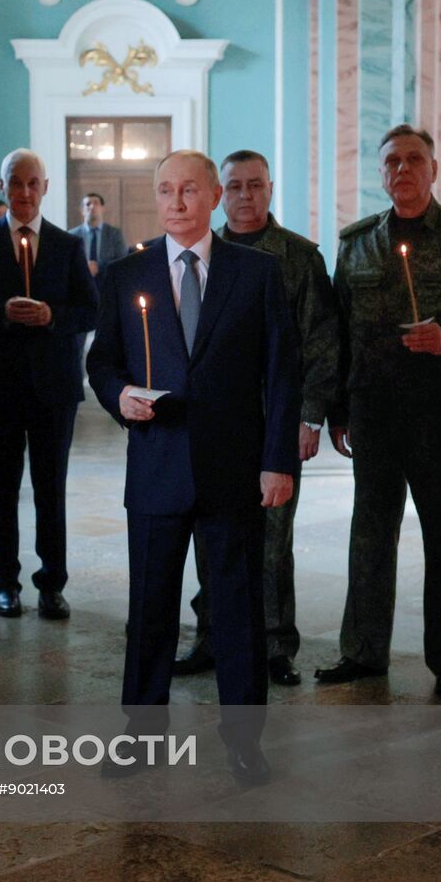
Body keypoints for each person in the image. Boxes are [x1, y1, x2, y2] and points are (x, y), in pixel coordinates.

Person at [86, 149, 299, 785]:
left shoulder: (257, 274)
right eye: (165, 191)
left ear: (212, 197)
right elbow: (102, 363)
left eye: (188, 190)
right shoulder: (127, 275)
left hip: (234, 470)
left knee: (236, 608)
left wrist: (277, 462)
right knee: (150, 605)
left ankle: (243, 737)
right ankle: (142, 733)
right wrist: (119, 396)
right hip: (156, 468)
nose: (176, 201)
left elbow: (281, 375)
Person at [318, 124, 441, 699]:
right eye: (391, 162)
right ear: (381, 173)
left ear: (434, 170)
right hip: (375, 410)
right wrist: (337, 408)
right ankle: (364, 651)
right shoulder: (357, 241)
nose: (403, 171)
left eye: (414, 160)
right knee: (370, 534)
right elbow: (339, 331)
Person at [172, 149, 338, 687]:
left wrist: (308, 418)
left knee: (271, 539)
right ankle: (212, 636)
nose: (245, 195)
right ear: (219, 193)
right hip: (212, 425)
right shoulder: (201, 251)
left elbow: (320, 341)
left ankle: (272, 645)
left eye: (255, 185)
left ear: (270, 189)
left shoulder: (297, 257)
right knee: (208, 531)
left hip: (274, 423)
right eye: (235, 186)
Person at [0, 149, 97, 620]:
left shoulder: (68, 246)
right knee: (3, 490)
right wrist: (0, 313)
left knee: (51, 490)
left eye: (33, 183)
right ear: (2, 186)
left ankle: (52, 583)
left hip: (54, 386)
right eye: (16, 183)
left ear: (46, 188)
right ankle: (6, 584)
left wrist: (53, 315)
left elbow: (91, 310)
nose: (25, 192)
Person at [68, 192, 127, 277]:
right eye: (88, 204)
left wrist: (98, 266)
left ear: (103, 208)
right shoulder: (72, 235)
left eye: (96, 203)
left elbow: (122, 260)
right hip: (80, 282)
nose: (92, 207)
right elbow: (68, 262)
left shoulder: (114, 234)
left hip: (107, 281)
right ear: (82, 210)